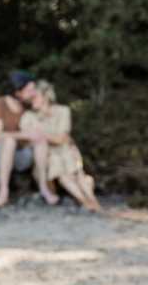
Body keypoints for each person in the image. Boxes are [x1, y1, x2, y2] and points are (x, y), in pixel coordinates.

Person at [20, 80, 101, 211]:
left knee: (78, 174)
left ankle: (93, 202)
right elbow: (29, 138)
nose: (31, 100)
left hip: (66, 151)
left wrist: (42, 134)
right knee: (63, 174)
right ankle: (85, 201)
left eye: (35, 97)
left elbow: (62, 139)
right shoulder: (29, 116)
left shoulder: (63, 111)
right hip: (48, 156)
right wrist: (50, 137)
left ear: (45, 96)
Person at [0, 70, 58, 207]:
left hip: (22, 155)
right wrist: (24, 135)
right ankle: (3, 192)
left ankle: (44, 188)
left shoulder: (30, 106)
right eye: (29, 89)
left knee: (40, 140)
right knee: (9, 141)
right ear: (17, 92)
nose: (33, 92)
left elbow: (45, 122)